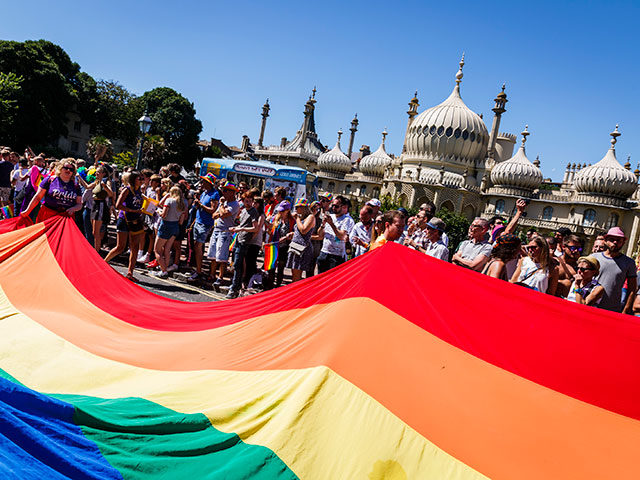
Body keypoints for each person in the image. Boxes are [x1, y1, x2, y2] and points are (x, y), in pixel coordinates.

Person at [104, 171, 145, 282]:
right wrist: (132, 210)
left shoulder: (139, 191)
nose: (142, 181)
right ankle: (104, 262)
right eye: (139, 179)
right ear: (133, 180)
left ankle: (130, 272)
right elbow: (118, 205)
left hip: (136, 220)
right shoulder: (127, 190)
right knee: (121, 247)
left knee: (135, 247)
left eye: (142, 179)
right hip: (125, 220)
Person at [20, 158, 82, 223]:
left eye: (71, 169)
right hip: (48, 215)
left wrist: (73, 209)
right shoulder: (50, 180)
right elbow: (38, 197)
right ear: (60, 168)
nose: (68, 170)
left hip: (66, 218)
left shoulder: (75, 185)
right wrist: (27, 211)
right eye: (66, 168)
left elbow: (79, 204)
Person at [592, 227, 637, 313]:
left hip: (612, 309)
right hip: (590, 305)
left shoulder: (629, 263)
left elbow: (632, 289)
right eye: (612, 239)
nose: (615, 242)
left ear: (623, 242)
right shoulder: (594, 257)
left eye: (619, 240)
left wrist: (626, 309)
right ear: (605, 240)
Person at [226, 192, 261, 298]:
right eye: (247, 201)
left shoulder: (253, 212)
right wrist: (236, 228)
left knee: (238, 264)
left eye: (250, 201)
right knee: (235, 264)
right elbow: (243, 224)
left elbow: (255, 228)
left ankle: (234, 288)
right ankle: (235, 285)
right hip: (238, 238)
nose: (249, 203)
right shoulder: (244, 210)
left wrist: (240, 229)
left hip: (244, 241)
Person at [188, 173, 220, 281]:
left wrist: (201, 205)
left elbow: (213, 210)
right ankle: (198, 269)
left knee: (198, 246)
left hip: (205, 223)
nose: (203, 183)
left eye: (205, 182)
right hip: (198, 221)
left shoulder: (214, 194)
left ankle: (199, 270)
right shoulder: (204, 193)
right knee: (196, 246)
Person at [208, 181, 240, 286]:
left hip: (225, 232)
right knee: (213, 254)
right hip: (217, 229)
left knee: (222, 256)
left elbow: (224, 214)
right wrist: (221, 210)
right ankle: (212, 274)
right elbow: (214, 215)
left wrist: (221, 206)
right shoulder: (225, 203)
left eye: (225, 190)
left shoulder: (234, 204)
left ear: (232, 192)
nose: (223, 192)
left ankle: (220, 277)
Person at [152, 186, 186, 278]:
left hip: (166, 225)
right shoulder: (182, 204)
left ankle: (163, 271)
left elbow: (164, 215)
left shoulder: (169, 201)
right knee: (167, 250)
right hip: (175, 227)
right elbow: (181, 221)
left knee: (157, 250)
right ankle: (165, 270)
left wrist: (159, 211)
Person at [317, 195, 355, 273]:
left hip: (336, 255)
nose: (334, 208)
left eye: (336, 206)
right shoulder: (330, 216)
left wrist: (331, 224)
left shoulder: (347, 220)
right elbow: (320, 235)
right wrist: (323, 225)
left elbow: (341, 236)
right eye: (333, 205)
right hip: (324, 252)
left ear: (343, 207)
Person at [285, 199, 317, 283]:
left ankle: (296, 293)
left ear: (303, 207)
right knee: (294, 273)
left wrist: (297, 219)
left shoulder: (310, 217)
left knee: (297, 274)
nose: (296, 210)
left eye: (297, 207)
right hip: (295, 246)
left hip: (302, 248)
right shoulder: (302, 217)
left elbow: (304, 230)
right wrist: (292, 234)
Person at [265, 200, 294, 288]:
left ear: (287, 211)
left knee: (281, 268)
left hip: (284, 247)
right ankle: (269, 286)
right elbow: (270, 230)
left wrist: (288, 236)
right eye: (279, 210)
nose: (280, 212)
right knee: (271, 268)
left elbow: (294, 232)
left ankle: (278, 286)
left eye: (282, 211)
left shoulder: (292, 221)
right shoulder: (275, 218)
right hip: (274, 245)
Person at [87, 165, 114, 252]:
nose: (96, 173)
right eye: (96, 172)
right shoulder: (96, 181)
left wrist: (105, 187)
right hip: (94, 204)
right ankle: (95, 249)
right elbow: (87, 187)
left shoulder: (106, 182)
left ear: (103, 174)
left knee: (96, 232)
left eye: (98, 172)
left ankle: (96, 251)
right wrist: (78, 176)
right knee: (93, 232)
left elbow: (111, 194)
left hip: (101, 205)